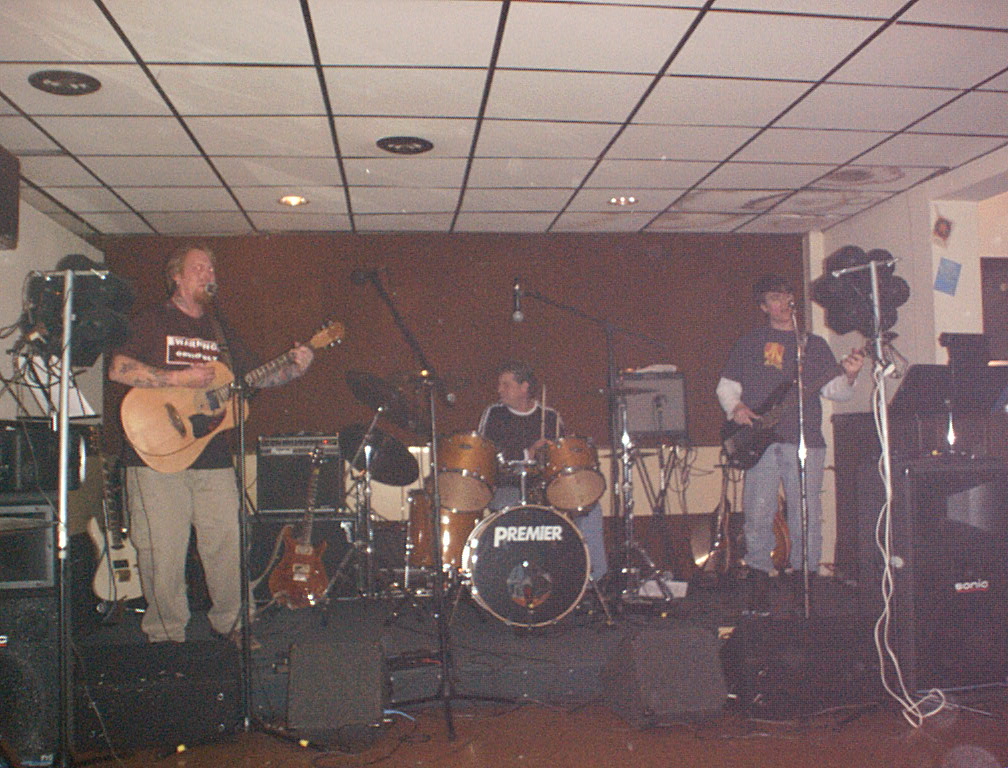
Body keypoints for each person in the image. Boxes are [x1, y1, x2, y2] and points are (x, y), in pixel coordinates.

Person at [107, 245, 314, 644]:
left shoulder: (220, 332)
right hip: (153, 455)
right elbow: (119, 369)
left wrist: (292, 368)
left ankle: (234, 623)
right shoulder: (152, 320)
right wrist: (177, 379)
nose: (208, 274)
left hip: (213, 458)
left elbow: (255, 378)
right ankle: (166, 633)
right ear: (177, 276)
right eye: (198, 267)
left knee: (227, 545)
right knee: (161, 551)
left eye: (212, 269)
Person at [716, 273, 864, 614]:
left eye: (786, 296)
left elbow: (835, 391)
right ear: (763, 306)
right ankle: (758, 578)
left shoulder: (814, 345)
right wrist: (737, 408)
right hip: (761, 441)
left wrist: (851, 374)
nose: (783, 304)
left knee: (805, 513)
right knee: (758, 512)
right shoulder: (750, 342)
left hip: (805, 440)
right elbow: (726, 386)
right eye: (774, 298)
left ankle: (805, 579)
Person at [477, 360, 608, 583]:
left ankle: (591, 578)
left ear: (524, 387)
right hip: (508, 486)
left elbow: (562, 457)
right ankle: (519, 581)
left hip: (545, 487)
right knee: (514, 509)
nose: (499, 390)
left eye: (506, 385)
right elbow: (486, 456)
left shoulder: (550, 416)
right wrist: (528, 453)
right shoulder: (494, 414)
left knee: (590, 507)